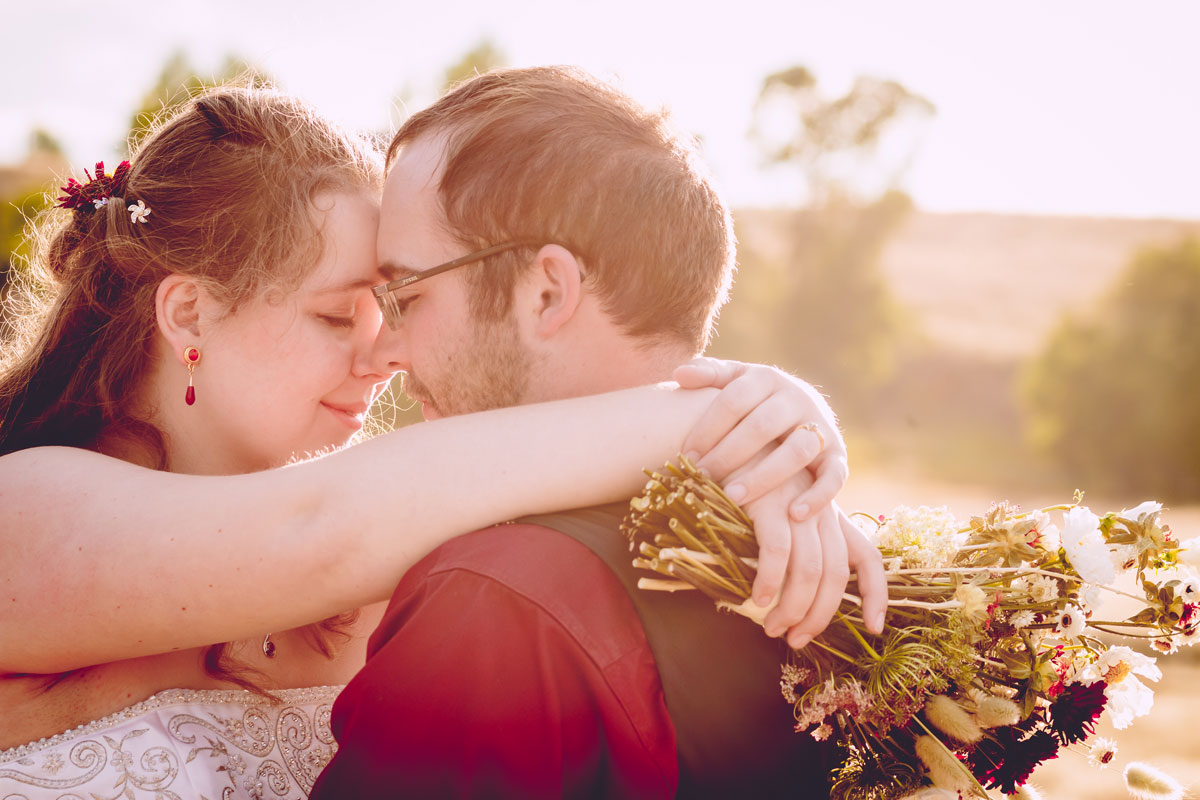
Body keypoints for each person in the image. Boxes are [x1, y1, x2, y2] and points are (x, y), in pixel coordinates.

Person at [0, 87, 862, 798]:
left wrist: (769, 435)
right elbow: (319, 526)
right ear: (190, 313)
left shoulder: (396, 549)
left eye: (397, 306)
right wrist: (725, 414)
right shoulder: (25, 510)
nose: (381, 356)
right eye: (339, 315)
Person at [311, 66, 885, 800]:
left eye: (408, 296)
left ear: (548, 291)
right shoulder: (812, 552)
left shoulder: (495, 602)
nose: (386, 351)